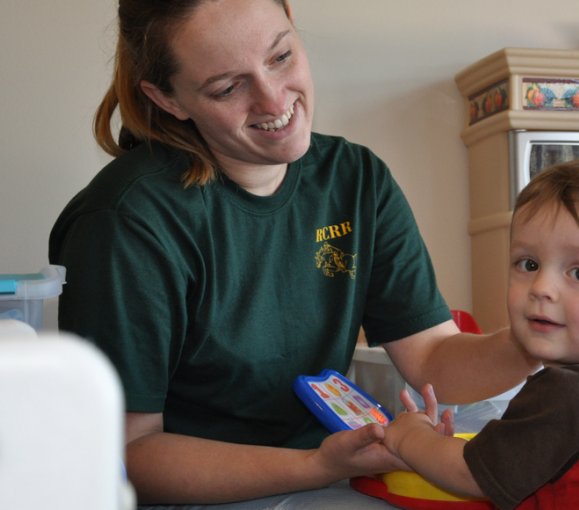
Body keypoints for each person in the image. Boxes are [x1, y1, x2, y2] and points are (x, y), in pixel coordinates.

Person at [47, 0, 537, 507]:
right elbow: (129, 451)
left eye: (281, 57)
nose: (273, 98)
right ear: (168, 99)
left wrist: (531, 344)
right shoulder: (127, 222)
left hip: (325, 477)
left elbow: (434, 357)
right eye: (228, 87)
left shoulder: (356, 180)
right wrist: (318, 464)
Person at [383, 157, 579, 509]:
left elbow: (468, 474)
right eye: (528, 264)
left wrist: (410, 437)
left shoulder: (569, 392)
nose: (542, 287)